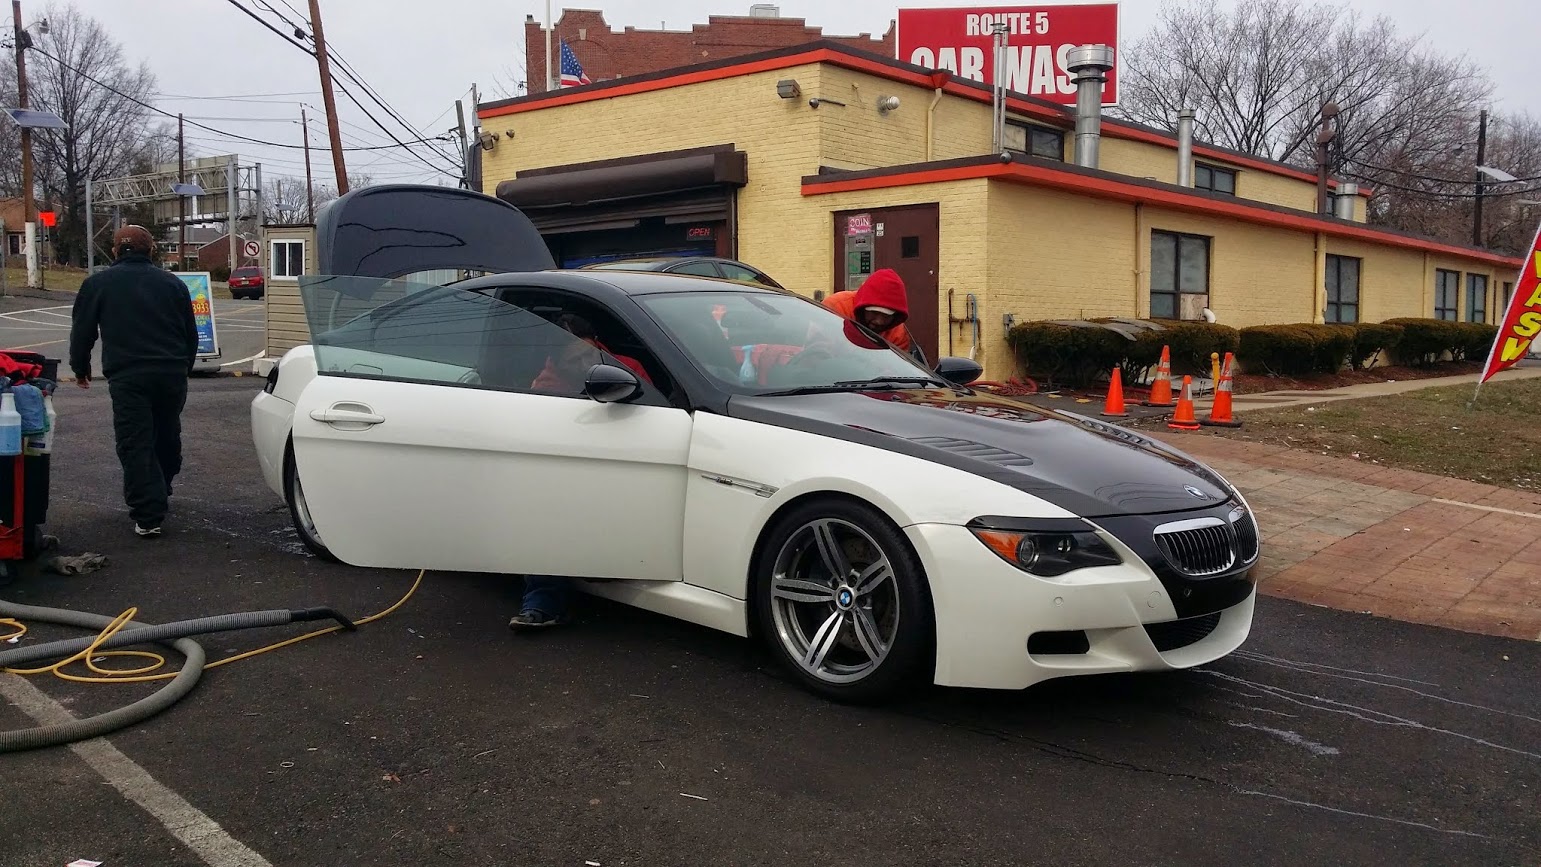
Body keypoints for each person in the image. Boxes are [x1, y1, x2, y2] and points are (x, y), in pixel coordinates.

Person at [510, 313, 650, 631]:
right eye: (576, 358)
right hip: (573, 469)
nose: (587, 362)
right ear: (556, 360)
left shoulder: (626, 366)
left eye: (591, 352)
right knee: (543, 513)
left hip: (631, 460)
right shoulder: (545, 387)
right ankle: (542, 604)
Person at [69, 226, 198, 539]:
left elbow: (83, 331)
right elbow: (189, 333)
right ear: (151, 250)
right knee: (166, 433)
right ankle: (160, 486)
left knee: (135, 440)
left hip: (128, 375)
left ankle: (148, 513)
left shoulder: (97, 284)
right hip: (171, 372)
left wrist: (81, 368)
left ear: (115, 251)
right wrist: (185, 366)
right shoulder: (173, 284)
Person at [822, 268, 929, 366]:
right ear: (863, 308)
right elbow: (816, 352)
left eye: (887, 316)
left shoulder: (898, 334)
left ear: (896, 316)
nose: (879, 321)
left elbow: (896, 369)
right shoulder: (835, 308)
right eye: (874, 312)